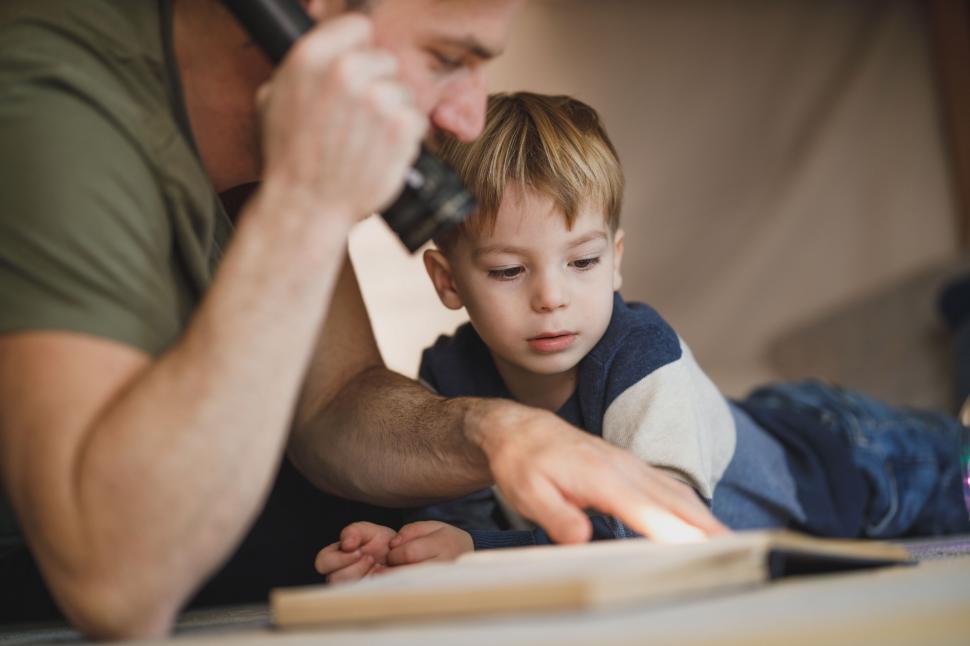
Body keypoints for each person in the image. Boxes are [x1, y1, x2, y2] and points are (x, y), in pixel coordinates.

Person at [0, 0, 729, 638]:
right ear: (306, 17)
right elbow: (115, 584)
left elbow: (333, 400)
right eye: (447, 57)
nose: (467, 116)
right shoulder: (54, 98)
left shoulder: (268, 152)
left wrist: (499, 429)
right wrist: (305, 206)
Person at [315, 92, 970, 582]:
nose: (552, 296)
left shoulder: (638, 353)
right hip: (762, 422)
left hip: (848, 460)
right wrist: (409, 550)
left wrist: (472, 552)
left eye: (584, 262)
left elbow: (648, 543)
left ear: (617, 258)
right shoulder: (450, 389)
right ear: (446, 280)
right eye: (509, 270)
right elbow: (463, 533)